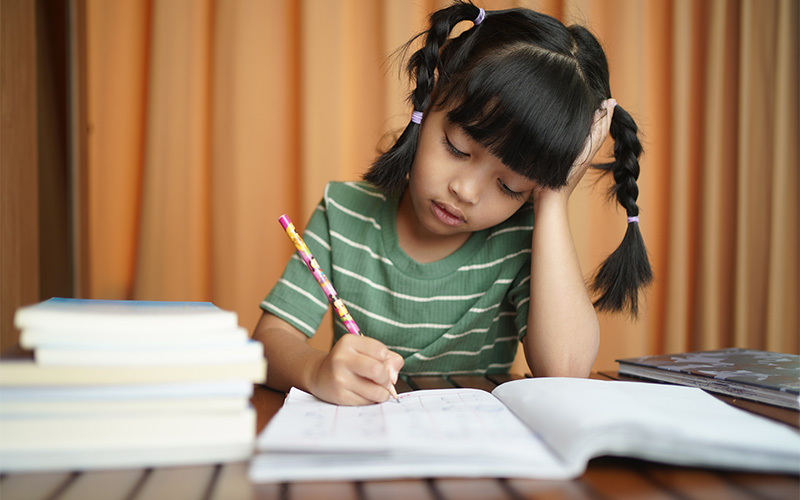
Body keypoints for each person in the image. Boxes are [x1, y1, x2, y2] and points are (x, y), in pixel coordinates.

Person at [252, 1, 652, 405]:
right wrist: (316, 370)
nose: (467, 191)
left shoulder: (521, 238)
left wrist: (554, 196)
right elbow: (269, 341)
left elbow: (565, 372)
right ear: (429, 100)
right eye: (457, 148)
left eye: (510, 185)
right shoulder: (343, 213)